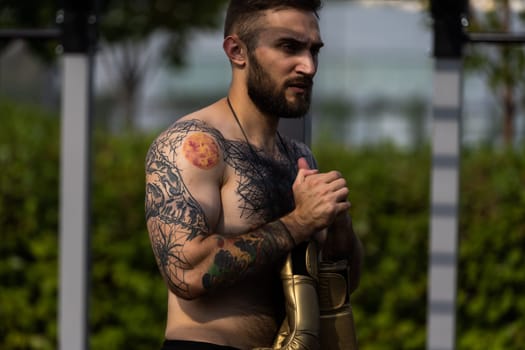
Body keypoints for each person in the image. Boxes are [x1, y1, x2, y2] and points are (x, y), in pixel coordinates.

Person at [145, 1, 362, 349]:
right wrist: (299, 222)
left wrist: (339, 227)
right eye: (289, 47)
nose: (308, 66)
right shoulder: (193, 145)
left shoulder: (299, 156)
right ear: (237, 51)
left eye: (314, 50)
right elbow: (185, 274)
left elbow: (342, 284)